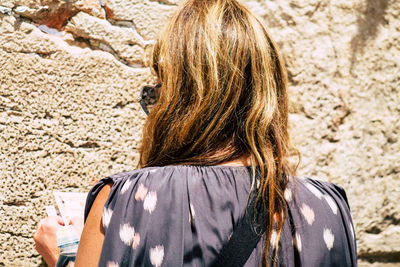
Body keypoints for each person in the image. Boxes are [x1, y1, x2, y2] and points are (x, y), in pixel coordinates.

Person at [34, 0, 357, 266]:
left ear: (179, 102)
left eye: (156, 95)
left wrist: (64, 257)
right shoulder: (329, 205)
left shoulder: (125, 200)